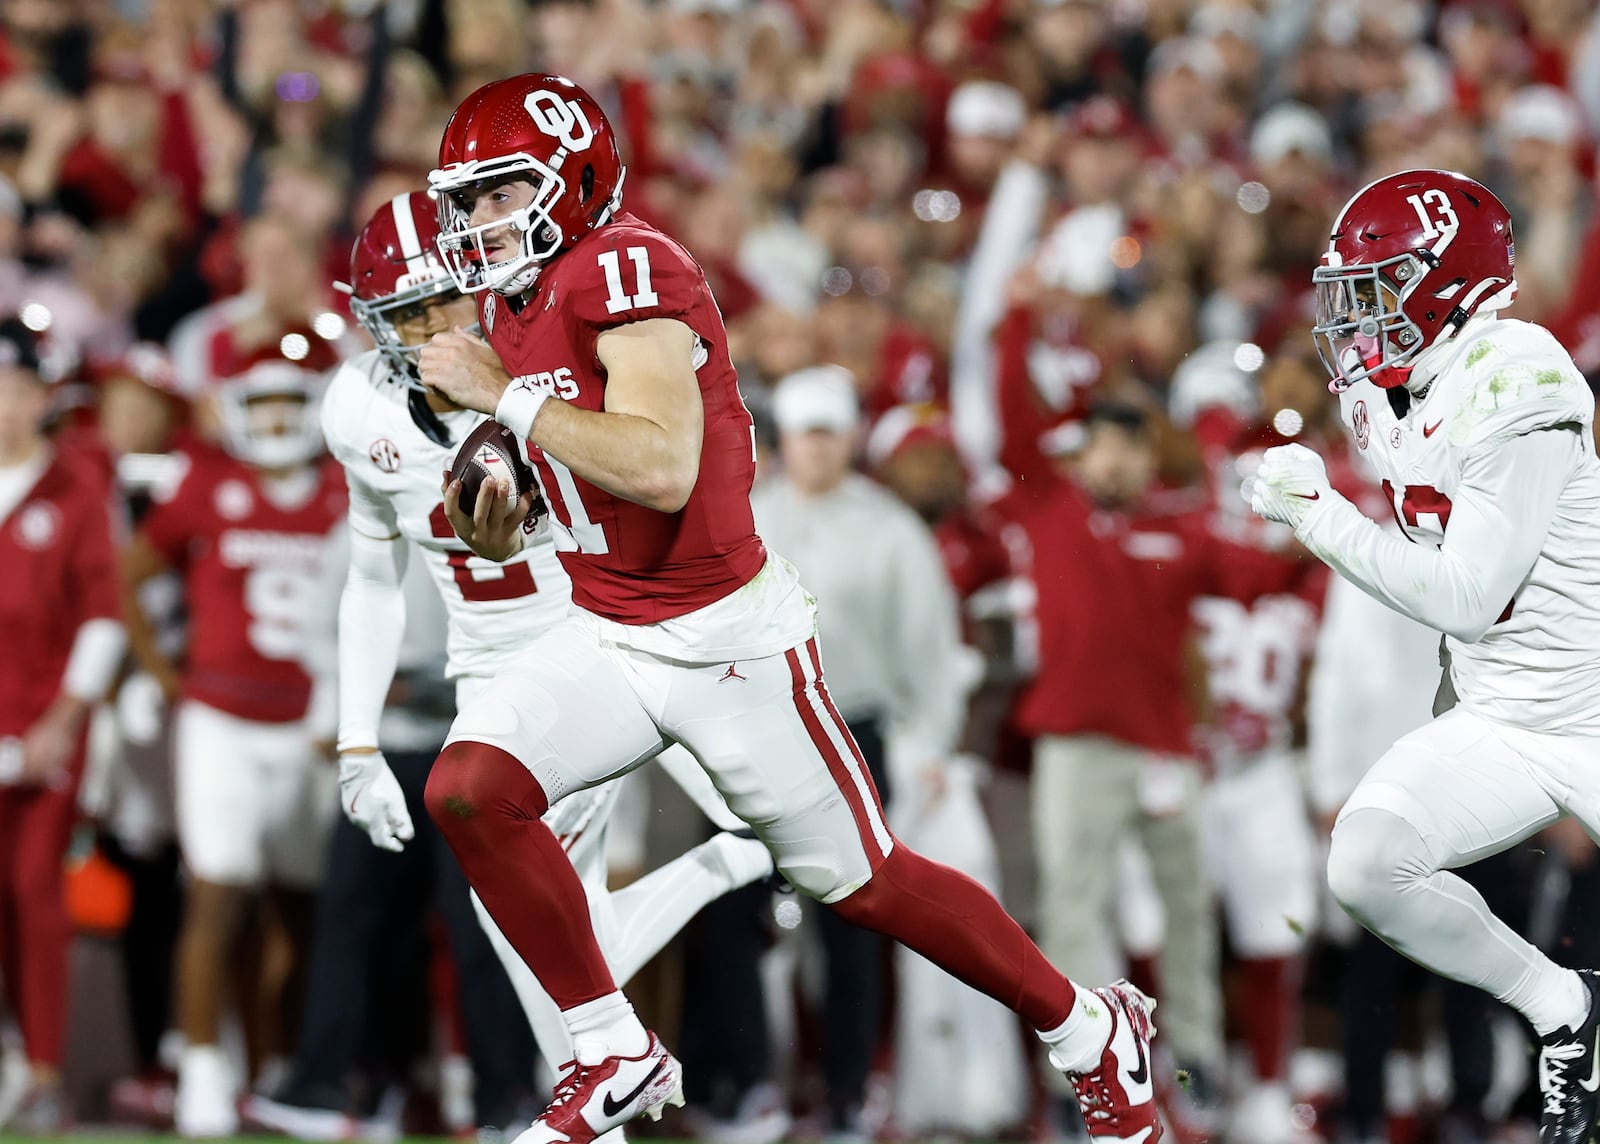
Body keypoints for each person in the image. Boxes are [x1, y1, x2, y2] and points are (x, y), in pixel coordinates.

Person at [404, 72, 1160, 1144]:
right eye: (464, 198)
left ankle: (1088, 1031)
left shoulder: (625, 263)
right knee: (470, 788)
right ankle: (610, 1046)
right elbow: (584, 481)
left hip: (725, 641)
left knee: (865, 879)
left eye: (497, 192)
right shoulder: (515, 296)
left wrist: (505, 398)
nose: (474, 220)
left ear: (568, 182)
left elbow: (663, 466)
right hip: (613, 628)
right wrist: (506, 514)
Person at [275, 191, 774, 1140]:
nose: (431, 330)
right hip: (485, 670)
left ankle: (624, 1056)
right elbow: (371, 577)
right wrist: (356, 743)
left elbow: (664, 487)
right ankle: (724, 864)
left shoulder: (552, 363)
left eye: (445, 303)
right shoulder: (356, 408)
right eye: (407, 314)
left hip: (590, 647)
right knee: (558, 946)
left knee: (545, 947)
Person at [1247, 168, 1600, 1144]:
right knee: (1364, 863)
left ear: (1445, 278)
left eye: (1377, 285)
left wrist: (1316, 515)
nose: (1356, 317)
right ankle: (1568, 1007)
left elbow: (1466, 594)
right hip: (1501, 714)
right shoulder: (1407, 379)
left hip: (1591, 707)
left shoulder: (1517, 370)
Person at [121, 356, 347, 1138]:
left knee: (301, 907)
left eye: (294, 405)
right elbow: (126, 577)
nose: (280, 421)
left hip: (310, 725)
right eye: (268, 405)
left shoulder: (341, 491)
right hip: (220, 716)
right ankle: (205, 1072)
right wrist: (166, 673)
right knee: (215, 894)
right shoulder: (206, 484)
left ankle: (278, 1066)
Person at [748, 365, 969, 1139]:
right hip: (759, 734)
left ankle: (847, 1088)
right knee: (749, 920)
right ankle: (753, 1085)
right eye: (806, 434)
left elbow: (931, 651)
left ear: (848, 439)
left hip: (853, 735)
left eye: (829, 434)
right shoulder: (750, 513)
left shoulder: (889, 528)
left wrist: (932, 743)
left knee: (854, 923)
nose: (817, 449)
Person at [0, 318, 125, 1134]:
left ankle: (44, 1069)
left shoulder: (73, 491)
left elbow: (103, 619)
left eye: (15, 389)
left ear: (45, 397)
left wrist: (64, 718)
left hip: (41, 723)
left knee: (35, 894)